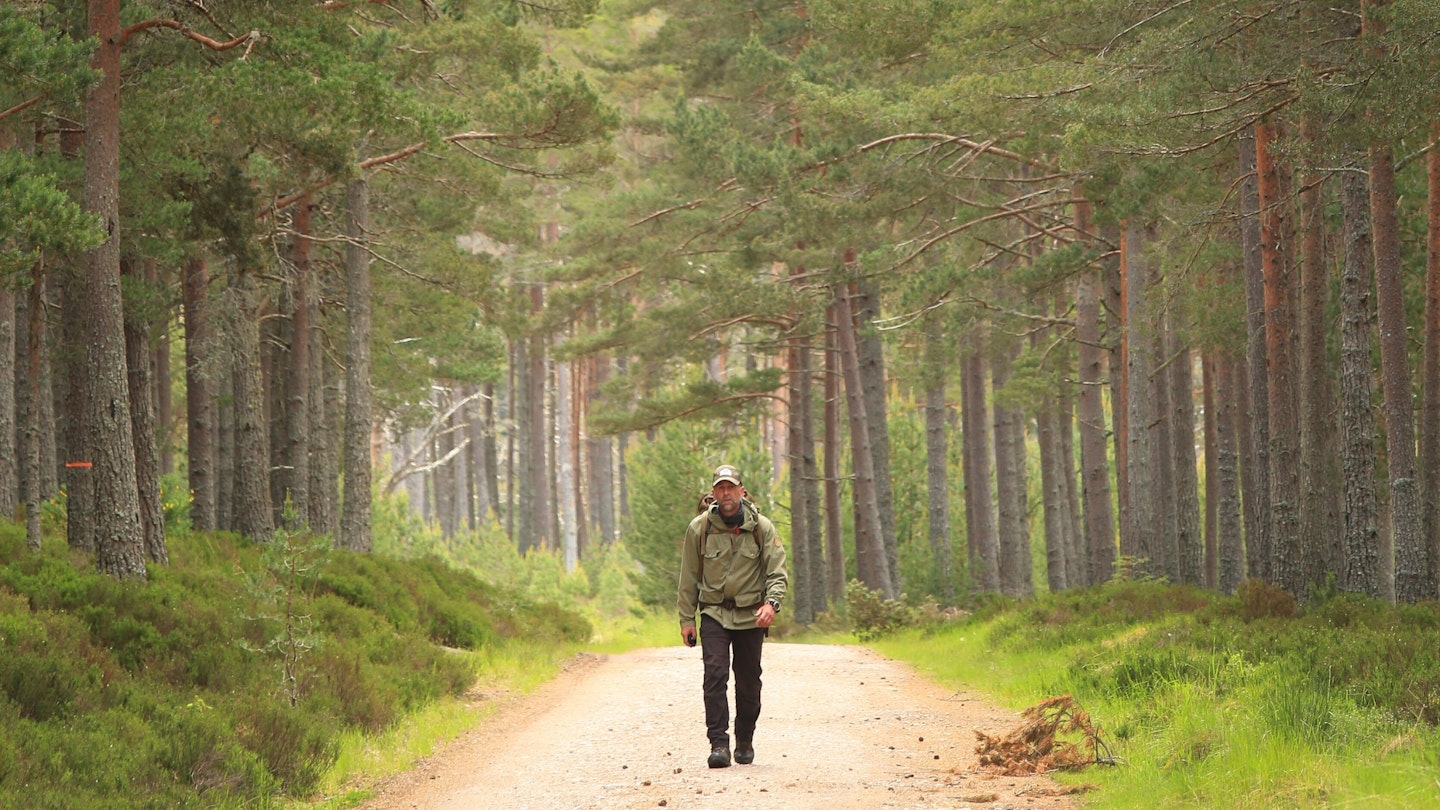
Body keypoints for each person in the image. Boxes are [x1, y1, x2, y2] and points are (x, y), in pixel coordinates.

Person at [677, 464, 788, 768]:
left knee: (749, 681)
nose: (726, 494)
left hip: (751, 615)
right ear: (713, 493)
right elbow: (688, 578)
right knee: (715, 675)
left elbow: (777, 573)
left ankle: (745, 739)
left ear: (742, 491)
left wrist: (771, 604)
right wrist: (687, 619)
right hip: (713, 612)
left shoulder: (761, 527)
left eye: (731, 487)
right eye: (720, 488)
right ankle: (719, 744)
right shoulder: (699, 528)